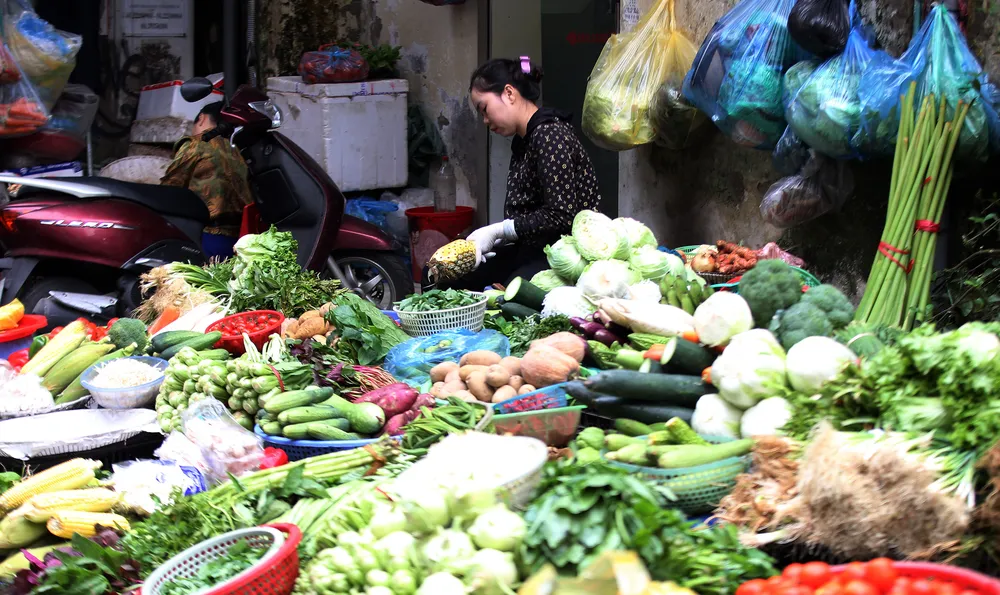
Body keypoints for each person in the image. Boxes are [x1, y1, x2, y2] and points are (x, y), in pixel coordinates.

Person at [444, 56, 602, 290]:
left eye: (484, 109)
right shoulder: (525, 139)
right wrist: (497, 238)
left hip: (562, 253)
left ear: (509, 93)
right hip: (529, 248)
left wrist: (501, 230)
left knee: (509, 296)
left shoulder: (549, 135)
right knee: (442, 273)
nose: (486, 121)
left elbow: (562, 215)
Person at [160, 102, 253, 259]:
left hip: (208, 237)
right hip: (241, 240)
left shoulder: (197, 144)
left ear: (202, 118)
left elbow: (168, 191)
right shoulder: (239, 150)